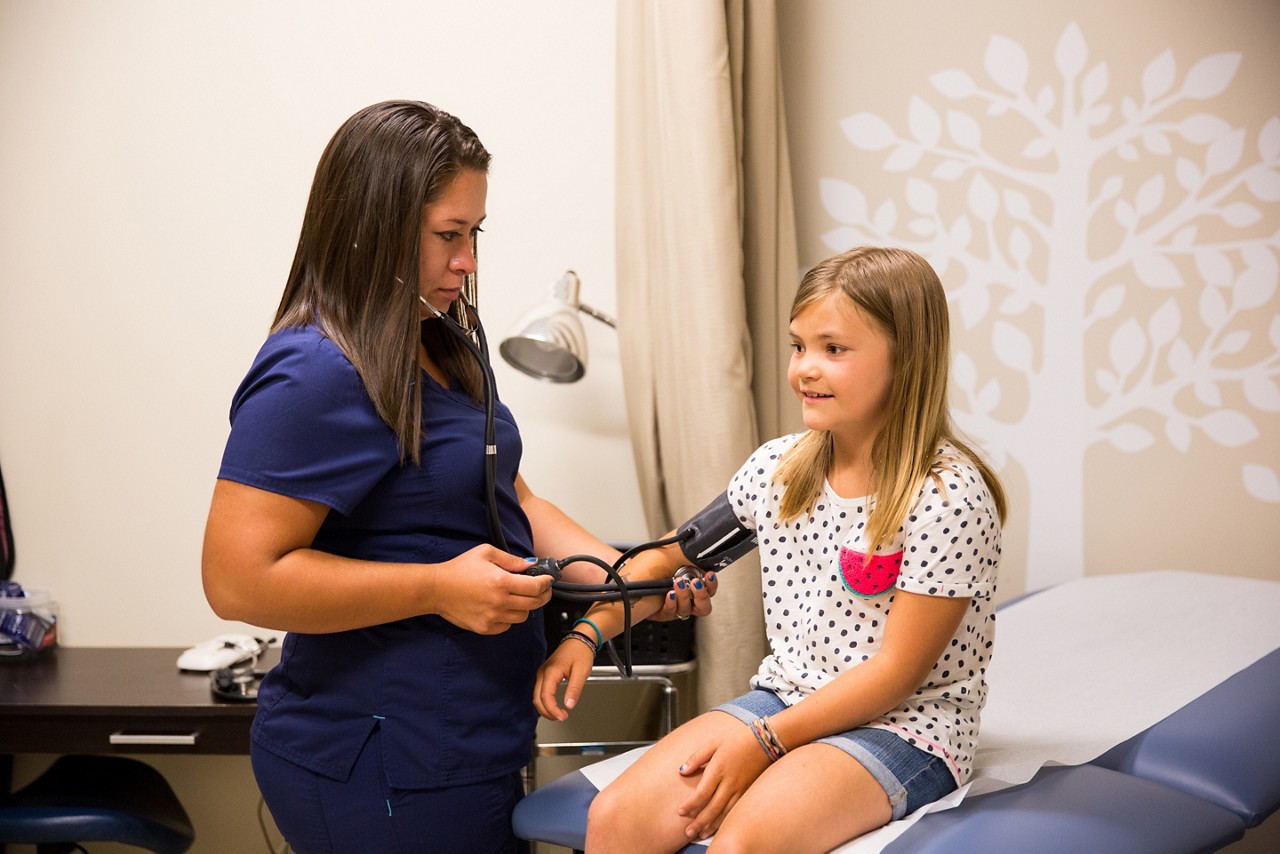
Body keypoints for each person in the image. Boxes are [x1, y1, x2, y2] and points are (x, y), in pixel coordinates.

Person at [201, 99, 712, 854]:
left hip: (467, 743)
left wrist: (626, 577)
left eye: (474, 233)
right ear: (373, 228)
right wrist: (437, 586)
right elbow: (236, 581)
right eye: (449, 235)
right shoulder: (315, 371)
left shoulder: (440, 344)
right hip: (375, 758)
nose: (467, 260)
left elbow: (511, 499)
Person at [535, 246, 1007, 852]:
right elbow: (662, 560)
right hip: (786, 696)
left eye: (833, 349)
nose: (805, 368)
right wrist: (586, 635)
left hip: (908, 727)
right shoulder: (779, 471)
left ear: (907, 359)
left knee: (743, 843)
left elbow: (895, 676)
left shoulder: (947, 496)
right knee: (616, 818)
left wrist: (764, 742)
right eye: (798, 345)